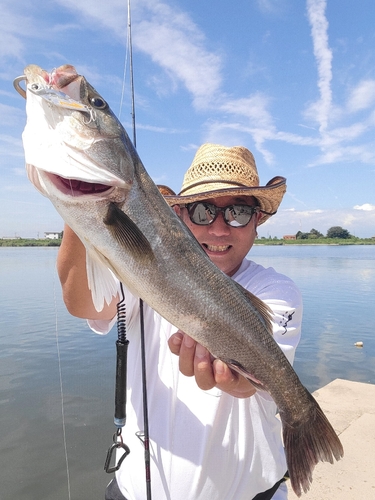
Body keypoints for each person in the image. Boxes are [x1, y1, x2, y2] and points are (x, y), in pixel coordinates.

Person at [57, 143, 302, 500]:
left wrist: (237, 378)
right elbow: (84, 304)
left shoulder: (276, 290)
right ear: (181, 216)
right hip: (133, 489)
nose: (218, 230)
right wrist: (77, 203)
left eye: (236, 212)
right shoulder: (139, 269)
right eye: (203, 211)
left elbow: (253, 384)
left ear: (257, 221)